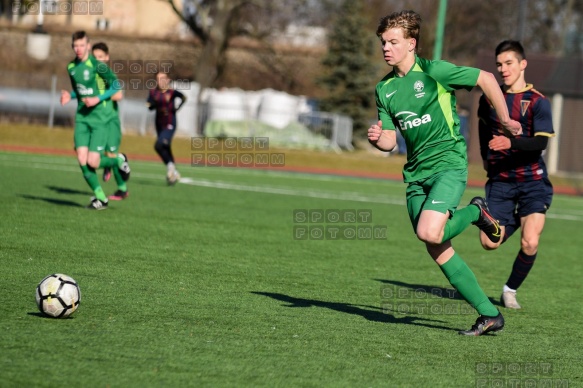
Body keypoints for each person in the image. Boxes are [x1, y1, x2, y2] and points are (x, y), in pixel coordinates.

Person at [368, 10, 522, 336]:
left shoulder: (434, 72)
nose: (386, 48)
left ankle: (475, 211)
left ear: (411, 43)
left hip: (448, 164)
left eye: (393, 42)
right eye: (383, 42)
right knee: (436, 245)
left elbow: (486, 79)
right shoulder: (384, 90)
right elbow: (390, 140)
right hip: (415, 176)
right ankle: (489, 314)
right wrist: (378, 138)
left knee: (429, 231)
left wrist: (506, 120)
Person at [477, 40, 554, 309]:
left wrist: (512, 142)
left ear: (522, 64)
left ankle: (509, 290)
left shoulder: (538, 102)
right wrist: (486, 157)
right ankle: (516, 217)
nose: (503, 68)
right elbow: (483, 128)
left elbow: (541, 143)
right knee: (489, 242)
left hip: (533, 182)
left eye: (508, 62)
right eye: (499, 64)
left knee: (530, 242)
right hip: (501, 181)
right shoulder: (489, 98)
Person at [60, 31, 129, 209]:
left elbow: (116, 85)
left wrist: (98, 99)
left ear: (88, 46)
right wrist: (70, 95)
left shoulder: (98, 65)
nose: (78, 49)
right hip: (82, 118)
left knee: (93, 162)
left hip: (99, 119)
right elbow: (81, 91)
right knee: (82, 159)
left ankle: (118, 161)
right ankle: (101, 198)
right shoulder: (71, 68)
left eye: (82, 45)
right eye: (75, 45)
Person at [91, 42, 130, 200]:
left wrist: (98, 98)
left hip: (111, 121)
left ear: (107, 58)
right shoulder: (90, 75)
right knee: (96, 156)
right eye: (94, 57)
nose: (97, 60)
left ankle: (122, 188)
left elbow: (118, 95)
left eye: (100, 57)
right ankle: (113, 165)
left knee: (111, 155)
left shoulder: (107, 74)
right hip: (97, 121)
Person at [146, 72, 186, 185]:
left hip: (170, 122)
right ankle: (173, 170)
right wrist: (152, 104)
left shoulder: (172, 92)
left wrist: (177, 107)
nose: (161, 81)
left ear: (168, 80)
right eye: (158, 79)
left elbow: (184, 97)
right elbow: (149, 105)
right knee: (164, 147)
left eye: (163, 78)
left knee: (159, 144)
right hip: (159, 123)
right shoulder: (153, 92)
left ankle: (171, 166)